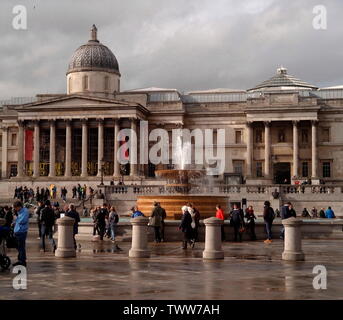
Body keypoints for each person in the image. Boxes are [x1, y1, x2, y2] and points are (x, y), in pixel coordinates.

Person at [12, 201, 29, 267]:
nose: (15, 209)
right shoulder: (19, 211)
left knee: (21, 247)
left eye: (15, 208)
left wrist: (16, 219)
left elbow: (23, 221)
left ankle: (22, 262)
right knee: (19, 247)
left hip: (21, 232)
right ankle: (20, 260)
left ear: (19, 207)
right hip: (17, 231)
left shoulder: (25, 211)